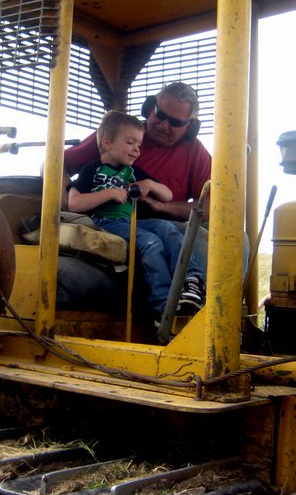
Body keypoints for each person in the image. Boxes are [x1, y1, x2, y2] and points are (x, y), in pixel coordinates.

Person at [66, 110, 206, 324]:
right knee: (151, 243)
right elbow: (74, 202)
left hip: (131, 222)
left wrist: (149, 184)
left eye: (139, 144)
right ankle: (162, 305)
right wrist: (109, 193)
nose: (136, 150)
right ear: (107, 142)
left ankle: (192, 280)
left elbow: (167, 195)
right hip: (105, 222)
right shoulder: (92, 169)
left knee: (168, 230)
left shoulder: (132, 172)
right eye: (130, 142)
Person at [63, 81, 212, 269]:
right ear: (150, 108)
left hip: (164, 226)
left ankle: (194, 286)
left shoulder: (196, 153)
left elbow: (211, 206)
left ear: (190, 126)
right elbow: (54, 164)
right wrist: (69, 202)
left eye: (175, 122)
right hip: (111, 221)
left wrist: (163, 206)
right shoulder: (120, 134)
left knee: (217, 238)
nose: (164, 125)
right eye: (160, 115)